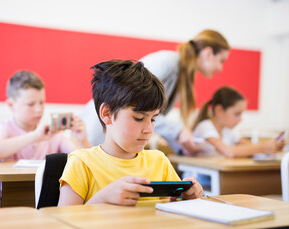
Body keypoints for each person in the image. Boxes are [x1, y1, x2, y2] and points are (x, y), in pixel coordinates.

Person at [58, 60, 203, 206]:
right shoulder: (82, 163)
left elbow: (175, 209)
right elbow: (63, 223)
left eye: (153, 119)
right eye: (139, 118)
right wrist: (103, 198)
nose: (149, 129)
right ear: (107, 114)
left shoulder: (159, 161)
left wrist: (188, 197)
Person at [80, 30, 230, 155]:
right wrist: (179, 131)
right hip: (100, 132)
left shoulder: (182, 74)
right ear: (208, 53)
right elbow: (136, 105)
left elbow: (152, 116)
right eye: (221, 60)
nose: (221, 68)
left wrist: (180, 145)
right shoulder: (168, 62)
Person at [0, 70, 91, 161]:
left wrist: (83, 141)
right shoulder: (4, 127)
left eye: (41, 102)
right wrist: (34, 136)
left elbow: (81, 161)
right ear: (11, 105)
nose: (39, 109)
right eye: (30, 104)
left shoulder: (52, 133)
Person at [192, 86, 285, 158]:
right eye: (237, 114)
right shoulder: (205, 127)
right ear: (219, 110)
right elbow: (229, 152)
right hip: (198, 179)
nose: (240, 119)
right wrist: (263, 147)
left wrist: (273, 146)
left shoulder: (227, 131)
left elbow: (252, 147)